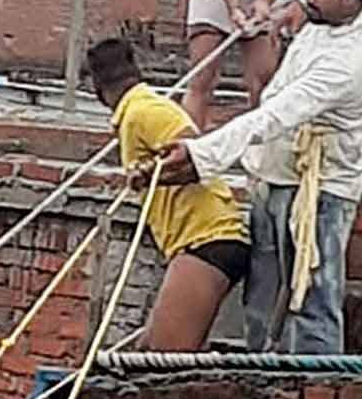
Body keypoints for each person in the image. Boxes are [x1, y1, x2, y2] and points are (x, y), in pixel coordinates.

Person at [158, 0, 362, 354]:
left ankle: (316, 394)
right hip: (273, 174)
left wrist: (201, 155)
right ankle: (259, 386)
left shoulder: (346, 65)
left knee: (312, 301)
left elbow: (274, 115)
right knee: (262, 296)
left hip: (321, 189)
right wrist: (286, 6)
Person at [88, 38, 250, 351]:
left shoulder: (142, 110)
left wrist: (152, 174)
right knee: (144, 349)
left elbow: (192, 147)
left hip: (208, 240)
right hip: (196, 242)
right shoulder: (138, 111)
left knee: (163, 359)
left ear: (97, 88)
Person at [183, 0, 299, 129]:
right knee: (202, 76)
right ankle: (188, 140)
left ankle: (262, 142)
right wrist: (233, 8)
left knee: (265, 80)